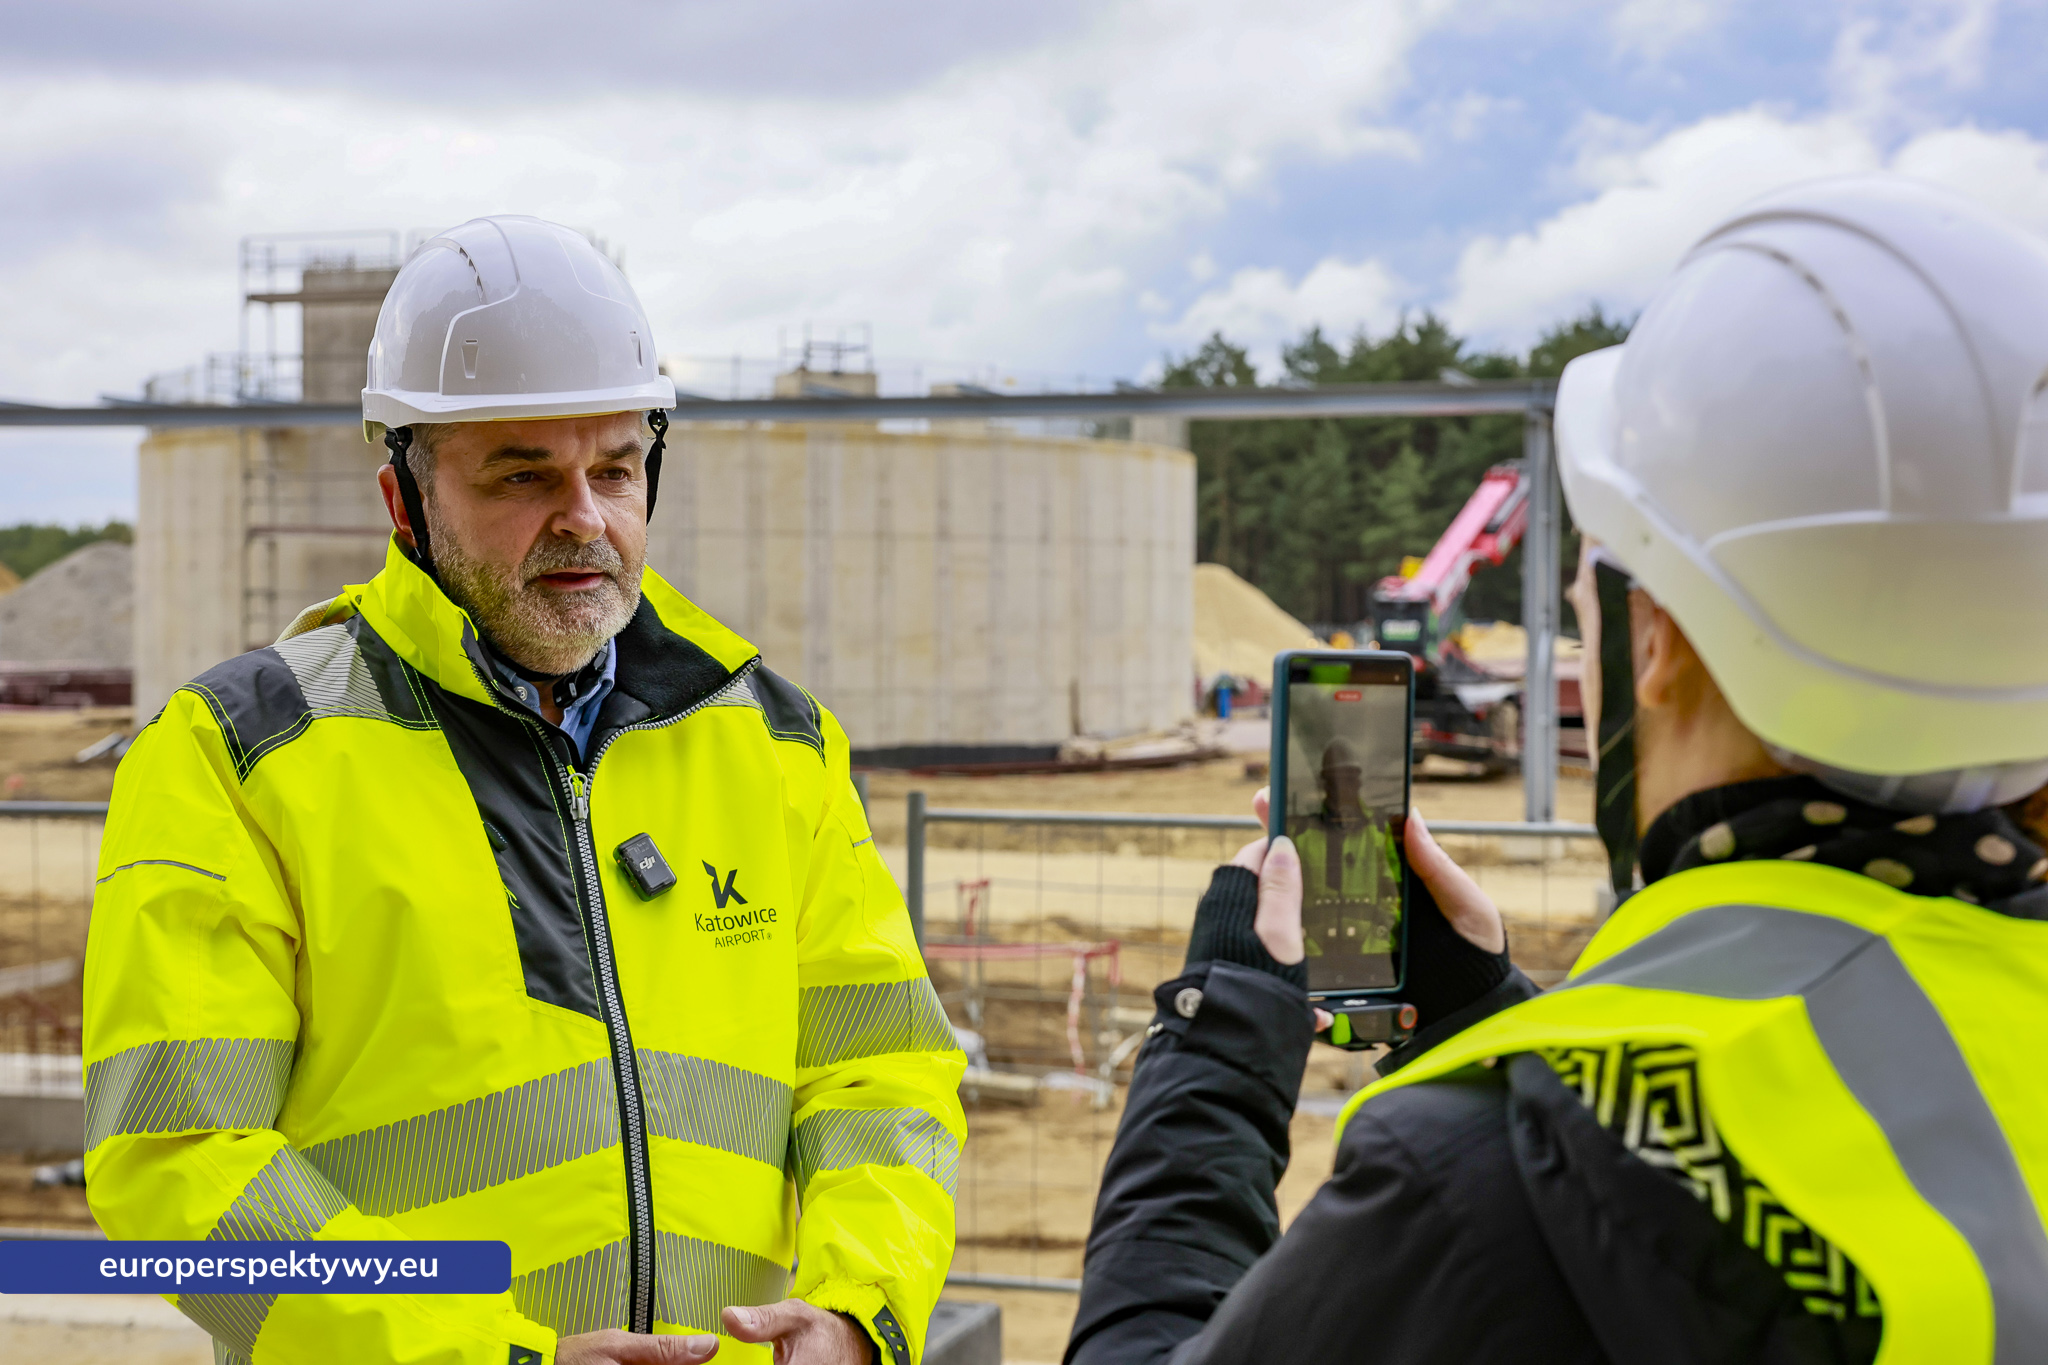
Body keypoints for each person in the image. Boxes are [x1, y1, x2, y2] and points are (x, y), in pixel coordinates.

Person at [1066, 176, 2048, 1363]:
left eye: (1584, 600)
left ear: (1656, 643)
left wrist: (1216, 1040)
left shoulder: (1471, 1186)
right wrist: (1490, 1019)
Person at [84, 217, 963, 1365]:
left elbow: (881, 1069)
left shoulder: (771, 742)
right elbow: (173, 1158)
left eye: (613, 469)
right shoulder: (242, 756)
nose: (584, 519)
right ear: (406, 503)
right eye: (521, 475)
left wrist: (857, 1311)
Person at [1292, 740, 1400, 964]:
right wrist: (1305, 946)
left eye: (1349, 779)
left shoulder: (1379, 831)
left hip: (1371, 957)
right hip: (1314, 958)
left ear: (1359, 782)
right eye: (1336, 780)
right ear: (1325, 784)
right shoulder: (1302, 833)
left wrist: (1378, 943)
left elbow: (1393, 893)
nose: (1343, 788)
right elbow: (1291, 898)